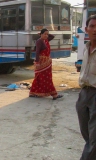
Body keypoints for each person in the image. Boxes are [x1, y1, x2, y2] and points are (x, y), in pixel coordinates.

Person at [76, 14, 96, 160]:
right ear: (86, 29)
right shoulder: (86, 48)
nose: (95, 30)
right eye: (92, 26)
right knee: (87, 135)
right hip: (84, 93)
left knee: (94, 138)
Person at [29, 28, 63, 100]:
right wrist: (37, 62)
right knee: (45, 78)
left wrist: (45, 33)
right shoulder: (39, 41)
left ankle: (33, 92)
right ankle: (54, 95)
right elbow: (37, 52)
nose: (46, 35)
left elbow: (52, 36)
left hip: (47, 62)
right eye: (45, 34)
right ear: (41, 34)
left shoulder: (46, 40)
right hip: (41, 63)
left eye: (47, 34)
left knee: (40, 78)